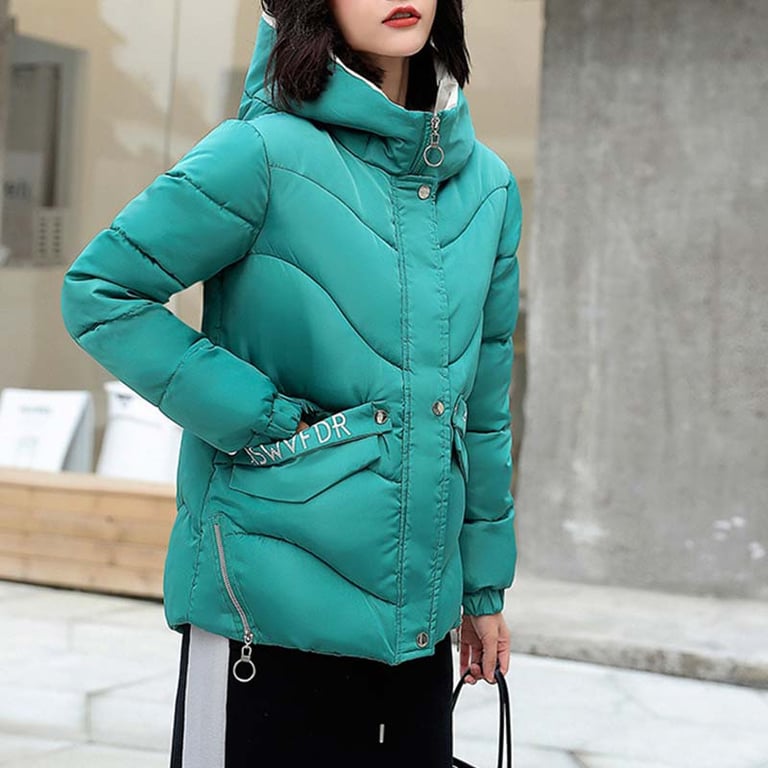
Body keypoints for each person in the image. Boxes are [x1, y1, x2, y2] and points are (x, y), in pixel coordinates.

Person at [60, 0, 523, 765]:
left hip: (415, 636)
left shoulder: (489, 188)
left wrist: (482, 591)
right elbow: (101, 293)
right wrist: (264, 419)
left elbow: (483, 411)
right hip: (262, 618)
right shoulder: (261, 153)